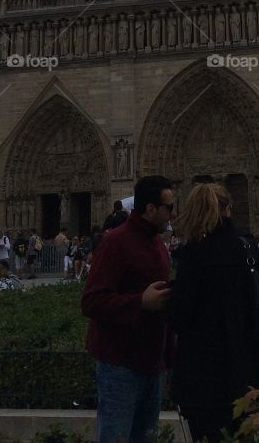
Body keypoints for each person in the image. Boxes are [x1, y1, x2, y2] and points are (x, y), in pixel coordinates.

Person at [170, 182, 259, 443]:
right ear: (228, 209)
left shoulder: (193, 253)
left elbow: (179, 317)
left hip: (203, 375)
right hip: (244, 371)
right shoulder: (245, 248)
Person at [81, 175, 174, 443]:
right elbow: (91, 301)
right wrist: (139, 302)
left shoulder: (158, 245)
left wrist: (169, 358)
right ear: (150, 209)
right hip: (120, 365)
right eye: (169, 207)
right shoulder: (115, 243)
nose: (173, 213)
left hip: (152, 365)